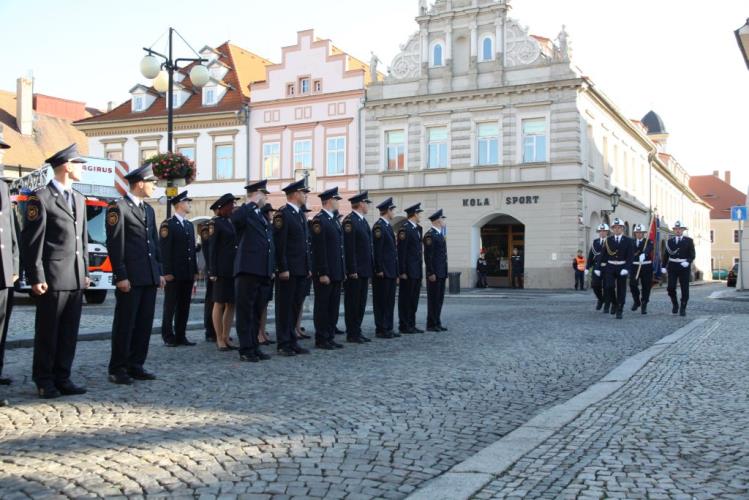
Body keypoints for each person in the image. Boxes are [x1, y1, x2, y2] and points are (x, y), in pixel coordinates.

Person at [22, 144, 90, 399]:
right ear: (66, 166)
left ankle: (63, 376)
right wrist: (36, 276)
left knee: (69, 332)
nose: (82, 168)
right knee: (48, 333)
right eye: (79, 164)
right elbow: (32, 241)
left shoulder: (79, 198)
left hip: (74, 276)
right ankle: (44, 379)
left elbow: (81, 241)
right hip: (52, 276)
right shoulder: (40, 198)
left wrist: (84, 271)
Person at [106, 163, 164, 385]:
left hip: (147, 275)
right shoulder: (118, 208)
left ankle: (136, 363)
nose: (154, 186)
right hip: (130, 277)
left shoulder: (147, 209)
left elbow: (154, 244)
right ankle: (118, 367)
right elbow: (115, 244)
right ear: (140, 183)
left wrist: (158, 271)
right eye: (152, 183)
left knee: (143, 323)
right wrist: (120, 275)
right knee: (125, 323)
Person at [231, 180, 274, 362]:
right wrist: (251, 203)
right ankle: (245, 348)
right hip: (247, 269)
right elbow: (235, 220)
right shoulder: (245, 211)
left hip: (261, 270)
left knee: (256, 311)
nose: (265, 198)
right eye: (263, 194)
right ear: (256, 194)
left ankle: (254, 346)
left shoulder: (260, 215)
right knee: (245, 311)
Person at [273, 179, 312, 357]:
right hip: (288, 270)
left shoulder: (298, 214)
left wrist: (308, 266)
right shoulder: (283, 214)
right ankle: (283, 342)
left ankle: (292, 340)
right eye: (304, 193)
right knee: (285, 307)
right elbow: (280, 245)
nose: (305, 196)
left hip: (300, 269)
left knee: (295, 306)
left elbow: (304, 244)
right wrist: (282, 268)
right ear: (295, 194)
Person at [159, 191, 198, 347]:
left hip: (186, 273)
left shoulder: (188, 225)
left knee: (184, 306)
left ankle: (181, 335)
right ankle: (168, 336)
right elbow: (165, 250)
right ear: (179, 204)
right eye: (187, 202)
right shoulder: (168, 224)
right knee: (170, 306)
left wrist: (194, 270)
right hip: (174, 274)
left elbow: (191, 250)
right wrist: (166, 272)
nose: (189, 204)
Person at [311, 187, 345, 350]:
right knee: (323, 305)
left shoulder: (333, 220)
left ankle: (329, 335)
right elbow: (319, 248)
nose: (338, 202)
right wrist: (323, 272)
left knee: (333, 306)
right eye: (336, 199)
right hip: (325, 272)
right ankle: (321, 337)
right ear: (328, 201)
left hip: (336, 271)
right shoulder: (320, 220)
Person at [207, 193, 239, 351]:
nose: (233, 207)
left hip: (233, 268)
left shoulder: (231, 222)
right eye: (231, 205)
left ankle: (226, 336)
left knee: (231, 303)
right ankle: (219, 338)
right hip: (220, 269)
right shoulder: (216, 223)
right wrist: (212, 270)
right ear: (224, 207)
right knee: (219, 303)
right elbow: (212, 249)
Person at [0, 138, 19, 398]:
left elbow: (11, 231)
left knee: (2, 326)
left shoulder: (4, 187)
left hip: (4, 271)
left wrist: (15, 264)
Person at [342, 191, 373, 344]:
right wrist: (352, 269)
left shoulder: (362, 221)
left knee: (361, 302)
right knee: (353, 302)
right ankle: (352, 332)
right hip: (355, 271)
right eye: (367, 203)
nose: (368, 206)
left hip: (364, 269)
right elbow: (349, 248)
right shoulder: (350, 221)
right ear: (361, 204)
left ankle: (357, 330)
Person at [372, 198, 399, 339]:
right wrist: (379, 269)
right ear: (387, 211)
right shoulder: (379, 227)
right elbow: (378, 250)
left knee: (389, 301)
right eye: (392, 209)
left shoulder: (387, 226)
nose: (394, 212)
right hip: (383, 271)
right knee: (381, 301)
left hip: (390, 270)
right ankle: (381, 328)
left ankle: (388, 327)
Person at [398, 203, 424, 334]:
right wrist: (402, 271)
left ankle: (411, 324)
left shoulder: (418, 229)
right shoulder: (405, 229)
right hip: (408, 271)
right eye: (419, 213)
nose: (420, 216)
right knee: (406, 299)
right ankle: (404, 325)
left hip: (416, 270)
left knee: (414, 299)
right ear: (414, 214)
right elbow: (402, 252)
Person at [601, 218, 633, 319]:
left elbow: (630, 256)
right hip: (610, 266)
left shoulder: (628, 241)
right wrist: (599, 267)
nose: (617, 229)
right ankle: (614, 303)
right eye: (615, 228)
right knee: (609, 287)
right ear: (612, 229)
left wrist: (627, 268)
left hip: (622, 266)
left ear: (622, 229)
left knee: (621, 289)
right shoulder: (608, 240)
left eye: (619, 228)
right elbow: (603, 255)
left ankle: (620, 308)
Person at [661, 221, 695, 316]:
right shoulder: (669, 241)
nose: (678, 231)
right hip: (672, 267)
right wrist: (663, 266)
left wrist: (687, 262)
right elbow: (666, 255)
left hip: (684, 267)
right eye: (676, 229)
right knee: (670, 287)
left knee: (685, 288)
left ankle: (683, 307)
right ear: (674, 230)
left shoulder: (689, 241)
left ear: (683, 230)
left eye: (680, 229)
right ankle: (675, 304)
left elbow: (692, 255)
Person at [423, 209, 448, 332]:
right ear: (438, 220)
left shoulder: (439, 234)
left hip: (441, 272)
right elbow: (428, 256)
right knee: (433, 299)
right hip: (434, 273)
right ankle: (431, 324)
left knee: (439, 299)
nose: (444, 221)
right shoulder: (430, 235)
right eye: (443, 219)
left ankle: (437, 321)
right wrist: (430, 272)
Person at [257, 203, 277, 347]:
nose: (272, 214)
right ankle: (258, 333)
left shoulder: (269, 227)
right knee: (259, 305)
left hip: (269, 271)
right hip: (262, 271)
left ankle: (262, 331)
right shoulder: (264, 227)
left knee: (264, 305)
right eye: (270, 212)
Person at [200, 207, 218, 343]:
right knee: (211, 301)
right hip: (213, 270)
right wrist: (212, 270)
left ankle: (218, 330)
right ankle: (210, 330)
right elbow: (208, 250)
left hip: (221, 270)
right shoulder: (209, 227)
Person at [630, 224, 654, 314]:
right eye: (637, 232)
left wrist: (645, 254)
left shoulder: (648, 241)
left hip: (646, 266)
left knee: (646, 287)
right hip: (635, 266)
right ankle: (637, 301)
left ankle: (644, 303)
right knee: (632, 284)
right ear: (635, 233)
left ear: (644, 233)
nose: (639, 234)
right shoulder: (631, 242)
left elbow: (650, 248)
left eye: (640, 233)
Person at [587, 224, 609, 310]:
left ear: (607, 232)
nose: (602, 233)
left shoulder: (610, 241)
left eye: (604, 231)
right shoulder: (595, 242)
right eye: (600, 231)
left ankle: (607, 304)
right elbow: (591, 255)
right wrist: (587, 267)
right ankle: (601, 299)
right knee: (595, 285)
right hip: (596, 267)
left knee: (607, 286)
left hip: (607, 266)